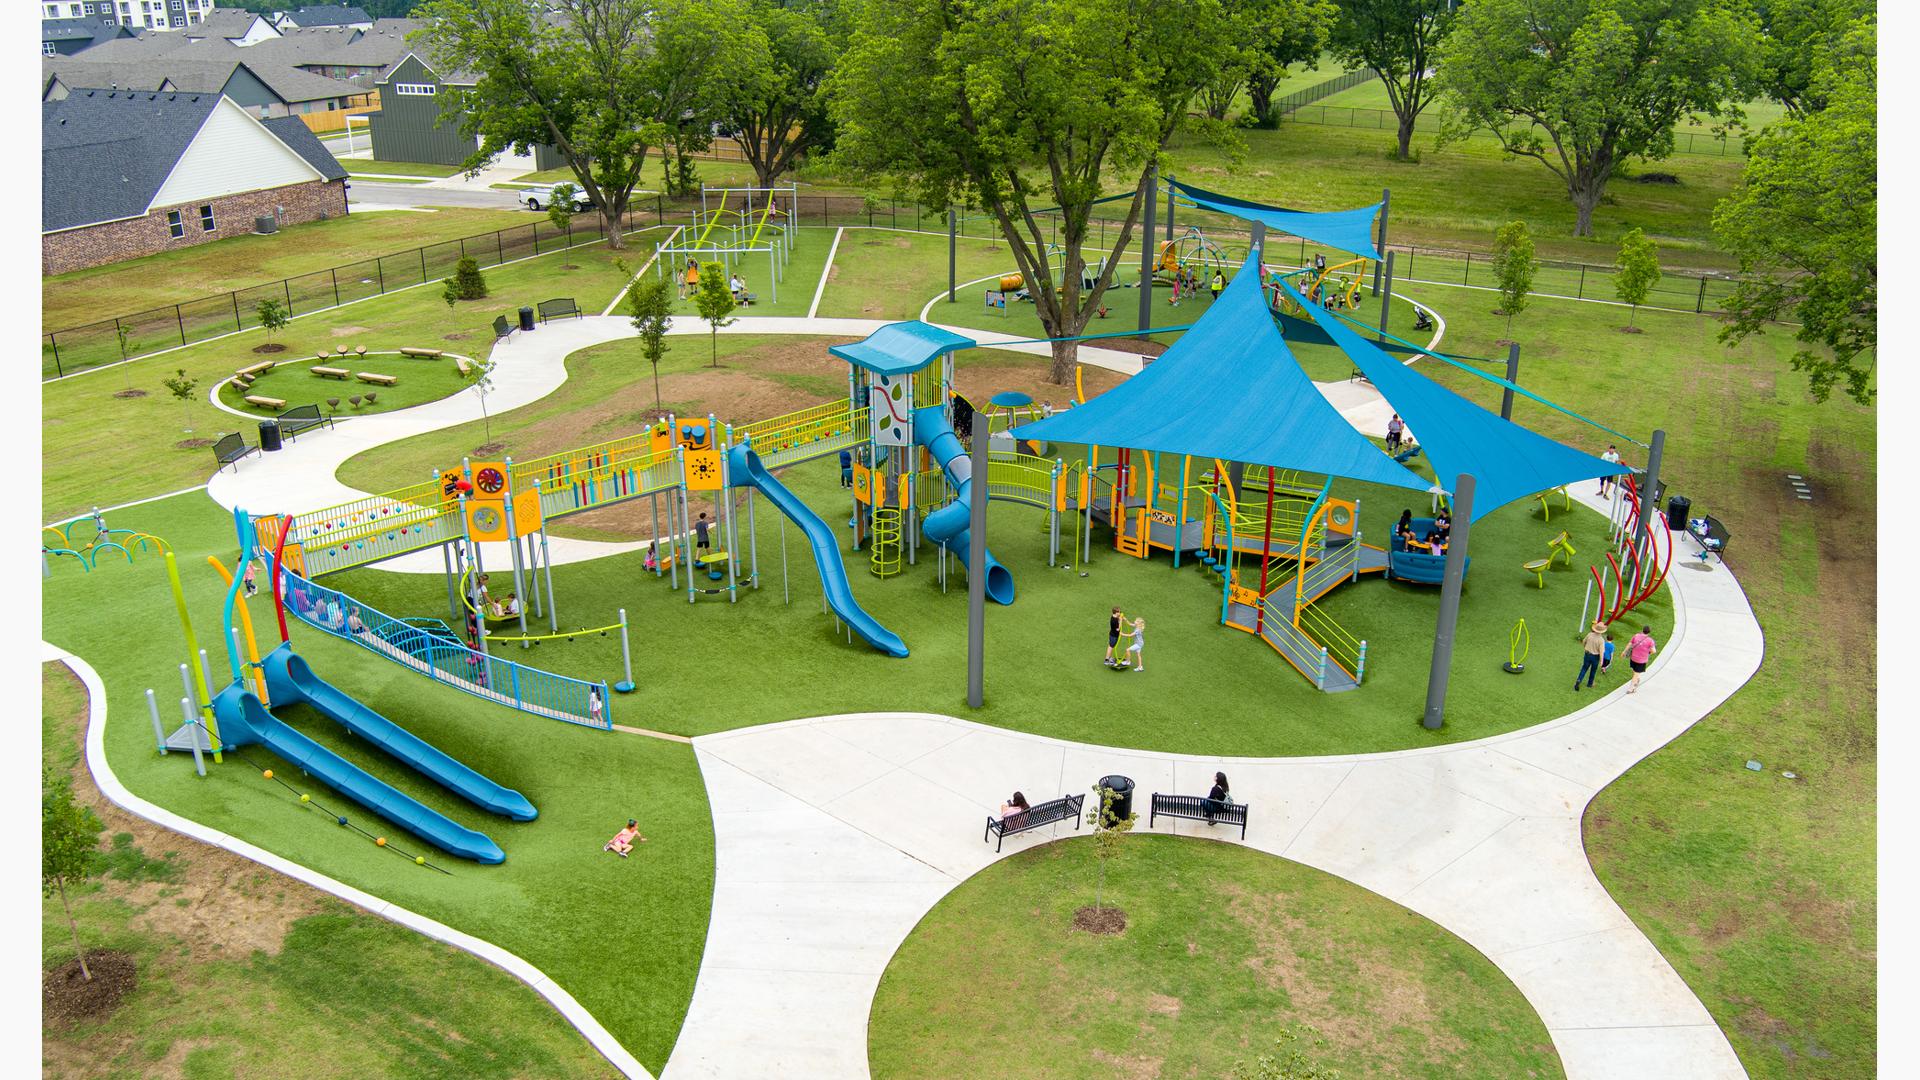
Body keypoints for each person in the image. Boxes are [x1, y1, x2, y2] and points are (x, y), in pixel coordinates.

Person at [1575, 620, 1607, 691]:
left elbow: (1583, 642)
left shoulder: (1589, 634)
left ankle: (1579, 680)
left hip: (1587, 654)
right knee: (1593, 670)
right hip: (1595, 657)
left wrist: (1585, 648)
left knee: (1584, 668)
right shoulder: (1601, 640)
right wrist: (1602, 661)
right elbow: (1601, 652)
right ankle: (1590, 683)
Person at [1626, 625, 1658, 693]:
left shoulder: (1636, 636)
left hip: (1633, 658)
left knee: (1635, 672)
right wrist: (1648, 652)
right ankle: (1631, 688)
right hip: (1641, 660)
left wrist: (1624, 651)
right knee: (1636, 674)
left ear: (1642, 630)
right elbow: (1654, 651)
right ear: (1649, 632)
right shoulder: (1650, 641)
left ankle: (1636, 681)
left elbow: (1629, 644)